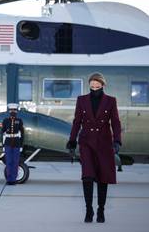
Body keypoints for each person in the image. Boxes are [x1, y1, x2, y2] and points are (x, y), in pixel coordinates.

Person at [66, 72, 121, 223]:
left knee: (103, 178)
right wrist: (72, 140)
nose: (94, 88)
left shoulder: (110, 101)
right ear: (89, 85)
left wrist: (117, 141)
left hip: (104, 143)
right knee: (87, 177)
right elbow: (77, 121)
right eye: (92, 86)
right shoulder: (82, 100)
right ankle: (88, 210)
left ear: (103, 85)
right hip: (86, 143)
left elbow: (115, 122)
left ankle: (101, 210)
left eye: (97, 86)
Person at [1, 103, 24, 185]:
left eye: (14, 110)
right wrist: (3, 145)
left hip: (16, 142)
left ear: (16, 111)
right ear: (9, 111)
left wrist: (21, 145)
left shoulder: (19, 121)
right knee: (9, 161)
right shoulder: (5, 121)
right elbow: (2, 133)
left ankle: (13, 179)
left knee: (15, 162)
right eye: (11, 110)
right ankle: (9, 179)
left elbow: (22, 134)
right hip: (8, 142)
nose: (13, 111)